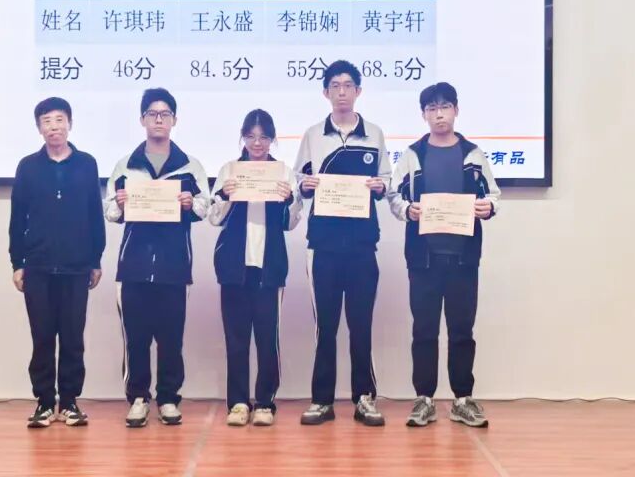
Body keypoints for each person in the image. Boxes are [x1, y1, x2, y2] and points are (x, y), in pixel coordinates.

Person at [389, 82, 500, 428]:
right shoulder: (412, 155)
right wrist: (407, 210)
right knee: (424, 330)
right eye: (432, 108)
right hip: (423, 259)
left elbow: (494, 195)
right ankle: (424, 400)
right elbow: (394, 196)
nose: (439, 114)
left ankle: (462, 399)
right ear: (424, 114)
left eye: (445, 107)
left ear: (456, 110)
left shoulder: (473, 154)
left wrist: (488, 207)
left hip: (463, 258)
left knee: (462, 330)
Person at [294, 59, 393, 427]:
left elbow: (387, 181)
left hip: (363, 243)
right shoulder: (312, 135)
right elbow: (298, 181)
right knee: (326, 327)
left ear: (358, 91)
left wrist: (380, 186)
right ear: (325, 92)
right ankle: (322, 400)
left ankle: (364, 398)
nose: (341, 92)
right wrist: (304, 185)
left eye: (347, 85)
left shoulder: (375, 134)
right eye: (334, 86)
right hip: (323, 244)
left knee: (361, 325)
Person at [105, 88, 211, 427]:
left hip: (174, 266)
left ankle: (167, 399)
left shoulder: (190, 165)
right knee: (135, 339)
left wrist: (189, 204)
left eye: (165, 114)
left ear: (174, 120)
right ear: (142, 120)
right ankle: (138, 398)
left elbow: (205, 207)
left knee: (170, 339)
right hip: (133, 266)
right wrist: (120, 204)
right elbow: (109, 210)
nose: (159, 119)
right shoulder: (126, 165)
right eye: (152, 114)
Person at [9, 97, 105, 428]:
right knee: (42, 337)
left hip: (77, 266)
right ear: (39, 128)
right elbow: (17, 218)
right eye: (47, 121)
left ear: (70, 124)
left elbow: (95, 214)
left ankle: (70, 402)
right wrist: (17, 262)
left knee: (73, 338)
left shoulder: (87, 164)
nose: (54, 127)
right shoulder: (28, 167)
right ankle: (44, 403)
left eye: (59, 119)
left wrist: (96, 259)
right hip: (38, 266)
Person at [209, 109, 302, 427]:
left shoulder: (283, 172)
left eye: (263, 137)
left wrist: (288, 200)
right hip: (233, 266)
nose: (257, 143)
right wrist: (225, 194)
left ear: (272, 139)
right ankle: (237, 403)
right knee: (235, 338)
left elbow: (291, 222)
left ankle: (265, 402)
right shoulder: (229, 170)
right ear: (243, 138)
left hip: (269, 266)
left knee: (266, 338)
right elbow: (214, 217)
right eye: (251, 137)